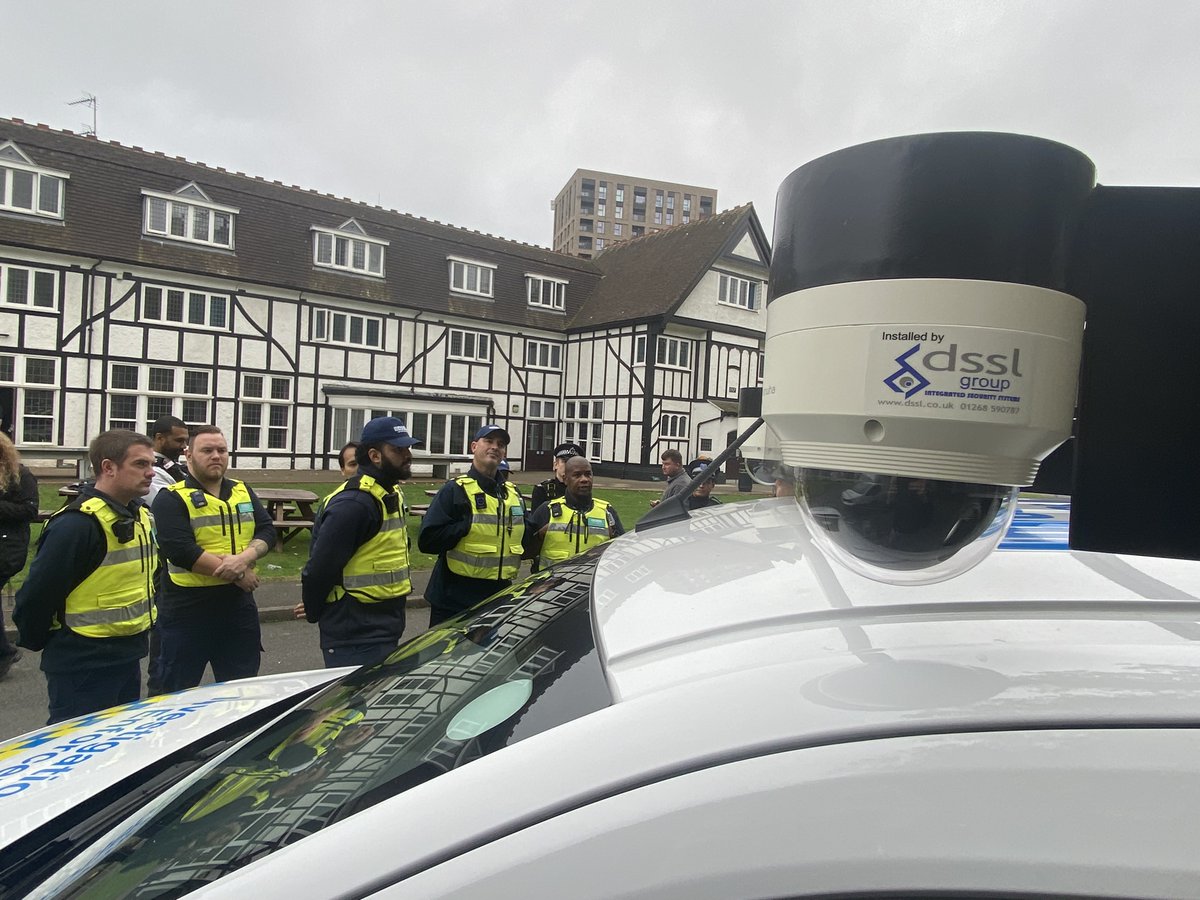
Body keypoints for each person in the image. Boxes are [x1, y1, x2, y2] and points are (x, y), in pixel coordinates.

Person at [13, 430, 156, 723]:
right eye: (140, 464)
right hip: (82, 662)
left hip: (126, 655)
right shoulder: (78, 524)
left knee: (118, 747)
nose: (151, 472)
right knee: (76, 753)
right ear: (108, 467)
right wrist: (45, 640)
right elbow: (36, 596)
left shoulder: (138, 515)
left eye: (151, 464)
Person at [151, 426, 275, 692]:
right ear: (189, 455)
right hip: (187, 611)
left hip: (237, 610)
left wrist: (245, 558)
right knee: (172, 694)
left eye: (221, 450)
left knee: (241, 692)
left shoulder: (242, 490)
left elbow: (267, 530)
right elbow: (180, 550)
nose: (216, 456)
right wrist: (241, 573)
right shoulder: (171, 498)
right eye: (207, 450)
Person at [297, 417, 422, 668]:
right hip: (353, 634)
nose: (407, 455)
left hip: (383, 627)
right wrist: (314, 610)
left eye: (407, 448)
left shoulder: (389, 492)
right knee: (355, 706)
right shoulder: (354, 503)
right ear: (375, 456)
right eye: (398, 450)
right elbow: (319, 569)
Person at [418, 424, 525, 626]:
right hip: (454, 601)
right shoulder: (454, 490)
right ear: (474, 446)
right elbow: (427, 541)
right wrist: (465, 526)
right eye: (489, 441)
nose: (495, 447)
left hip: (496, 601)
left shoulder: (513, 494)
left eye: (500, 444)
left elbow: (525, 538)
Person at [524, 456, 624, 568]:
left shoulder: (606, 511)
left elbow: (622, 554)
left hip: (590, 583)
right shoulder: (547, 510)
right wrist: (539, 537)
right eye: (577, 475)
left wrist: (614, 536)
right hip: (553, 583)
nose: (584, 479)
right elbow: (524, 552)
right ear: (565, 479)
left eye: (588, 474)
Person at [0, 433, 38, 678]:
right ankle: (4, 651)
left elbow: (29, 509)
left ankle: (4, 652)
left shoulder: (20, 476)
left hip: (7, 547)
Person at [529, 442, 583, 512]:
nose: (569, 466)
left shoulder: (580, 490)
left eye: (573, 462)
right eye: (565, 462)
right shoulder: (542, 490)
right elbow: (536, 520)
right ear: (555, 465)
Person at [147, 415, 190, 503]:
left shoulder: (175, 466)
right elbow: (169, 504)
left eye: (186, 441)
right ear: (159, 438)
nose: (184, 446)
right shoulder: (152, 472)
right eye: (179, 440)